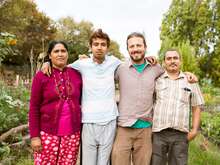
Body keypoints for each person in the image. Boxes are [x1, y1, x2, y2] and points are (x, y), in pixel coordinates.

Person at [111, 32, 164, 165]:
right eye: (132, 46)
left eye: (139, 45)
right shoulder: (120, 69)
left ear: (145, 47)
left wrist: (187, 75)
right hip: (124, 127)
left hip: (145, 129)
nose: (135, 49)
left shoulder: (156, 68)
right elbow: (99, 72)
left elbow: (172, 75)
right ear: (128, 49)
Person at [29, 41, 82, 165]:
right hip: (47, 134)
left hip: (72, 135)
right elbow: (34, 107)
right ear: (50, 55)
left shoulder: (76, 74)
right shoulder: (41, 76)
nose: (60, 54)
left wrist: (85, 59)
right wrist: (35, 136)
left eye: (63, 51)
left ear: (67, 54)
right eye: (56, 51)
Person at [151, 49, 204, 165]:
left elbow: (196, 106)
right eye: (168, 59)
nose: (172, 61)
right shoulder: (157, 80)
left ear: (180, 61)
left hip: (180, 135)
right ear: (164, 62)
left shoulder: (190, 81)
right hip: (159, 133)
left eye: (175, 58)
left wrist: (194, 130)